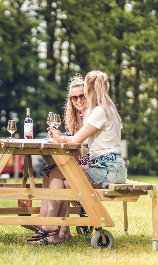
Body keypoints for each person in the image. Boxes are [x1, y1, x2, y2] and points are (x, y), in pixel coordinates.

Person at [34, 70, 127, 244]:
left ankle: (50, 227)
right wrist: (61, 138)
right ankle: (51, 228)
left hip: (106, 170)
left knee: (58, 176)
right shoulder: (109, 108)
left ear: (90, 89)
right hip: (109, 167)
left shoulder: (99, 111)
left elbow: (76, 139)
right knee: (55, 173)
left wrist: (59, 138)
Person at [26, 75, 90, 241]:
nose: (78, 100)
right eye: (74, 97)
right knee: (49, 171)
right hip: (85, 161)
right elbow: (74, 137)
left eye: (82, 96)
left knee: (55, 172)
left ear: (89, 95)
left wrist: (70, 141)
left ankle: (53, 225)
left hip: (94, 164)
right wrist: (62, 137)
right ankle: (60, 227)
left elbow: (83, 139)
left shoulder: (92, 115)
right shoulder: (79, 116)